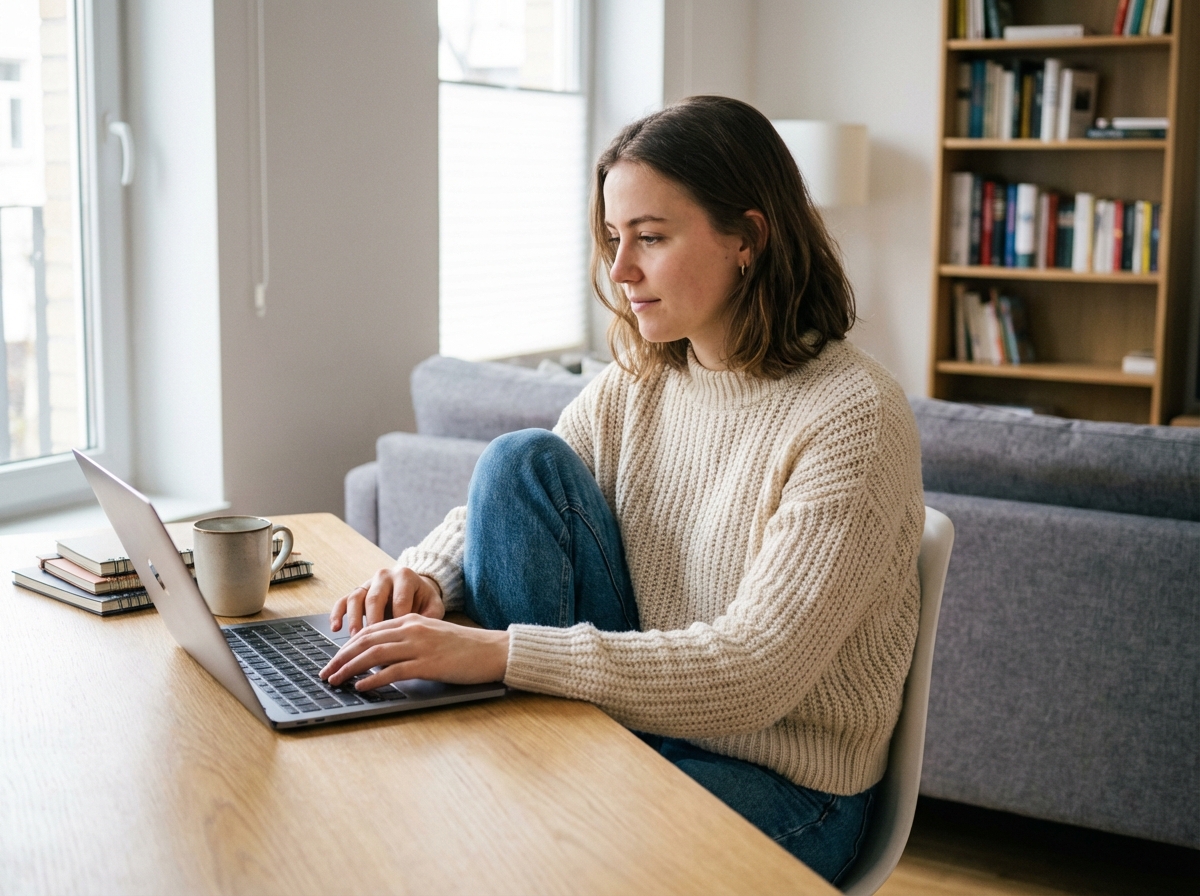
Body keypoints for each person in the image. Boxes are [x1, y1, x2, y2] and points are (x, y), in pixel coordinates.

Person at [320, 95, 924, 885]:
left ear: (748, 238)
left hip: (784, 784)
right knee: (518, 460)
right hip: (638, 725)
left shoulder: (852, 416)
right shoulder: (645, 377)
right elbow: (498, 511)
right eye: (613, 239)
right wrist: (427, 575)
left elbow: (754, 674)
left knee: (535, 840)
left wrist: (498, 655)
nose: (621, 270)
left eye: (651, 237)